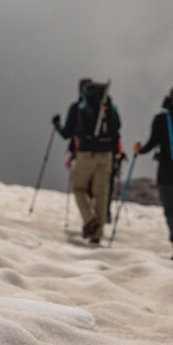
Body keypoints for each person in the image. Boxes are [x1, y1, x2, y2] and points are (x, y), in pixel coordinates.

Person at [55, 80, 121, 244]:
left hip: (85, 154)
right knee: (101, 193)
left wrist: (56, 124)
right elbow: (117, 130)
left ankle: (90, 220)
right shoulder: (108, 107)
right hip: (106, 155)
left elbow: (66, 133)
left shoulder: (77, 107)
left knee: (78, 188)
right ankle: (97, 235)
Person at [133, 87, 173, 261]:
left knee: (171, 209)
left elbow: (152, 143)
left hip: (167, 168)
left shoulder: (161, 119)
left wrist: (140, 150)